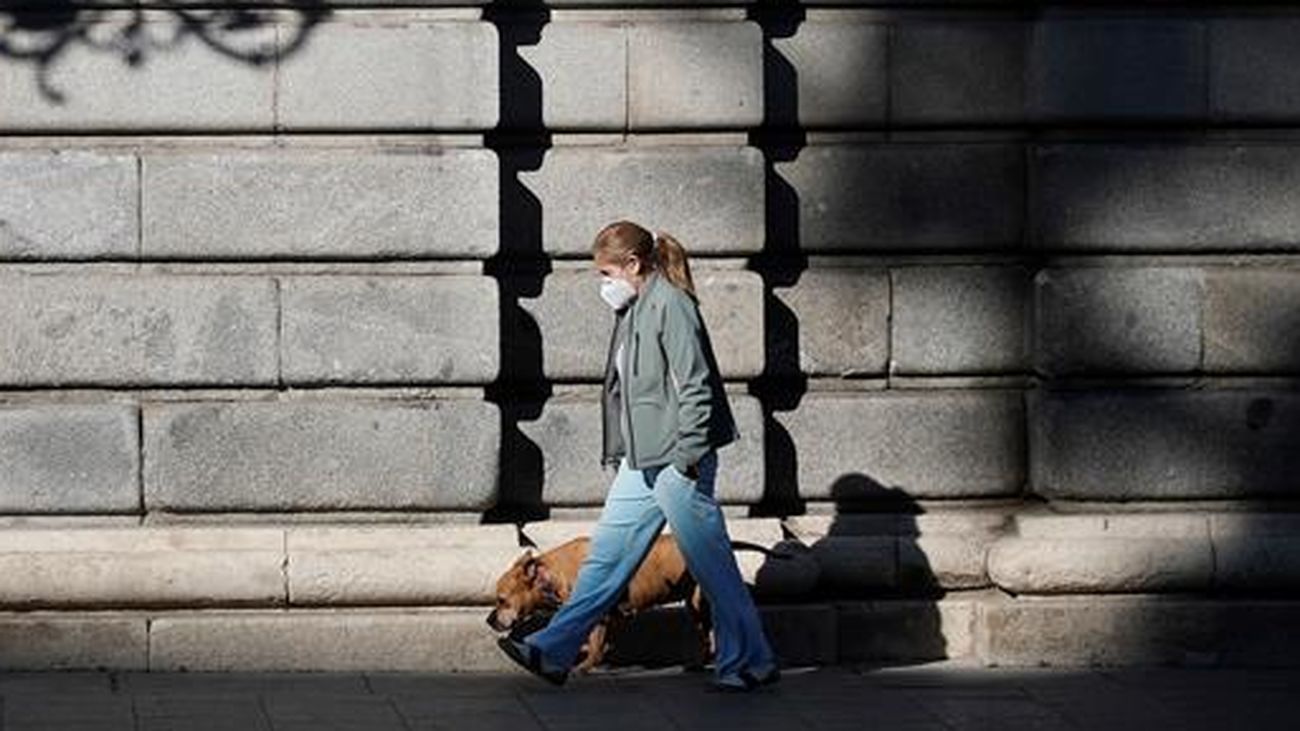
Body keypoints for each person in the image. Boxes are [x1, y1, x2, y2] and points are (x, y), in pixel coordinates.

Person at [497, 220, 780, 692]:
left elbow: (695, 386)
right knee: (606, 558)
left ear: (633, 264)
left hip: (677, 460)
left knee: (711, 566)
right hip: (643, 458)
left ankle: (751, 661)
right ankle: (552, 651)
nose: (604, 284)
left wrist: (688, 455)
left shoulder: (672, 306)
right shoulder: (635, 309)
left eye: (607, 273)